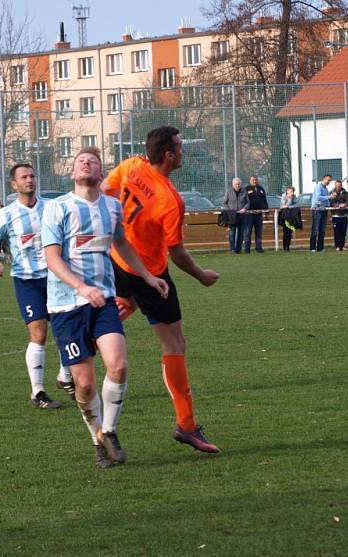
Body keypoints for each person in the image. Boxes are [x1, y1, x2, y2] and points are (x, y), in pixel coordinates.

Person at [42, 147, 169, 468]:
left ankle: (109, 431)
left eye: (93, 162)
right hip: (66, 307)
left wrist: (148, 277)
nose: (86, 163)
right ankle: (97, 439)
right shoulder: (57, 208)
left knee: (119, 365)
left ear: (101, 174)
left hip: (103, 303)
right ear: (72, 173)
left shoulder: (112, 207)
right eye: (80, 161)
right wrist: (81, 286)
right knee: (84, 384)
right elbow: (52, 258)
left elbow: (122, 242)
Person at [102, 126, 222, 454]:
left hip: (117, 259)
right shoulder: (171, 200)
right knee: (175, 344)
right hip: (150, 273)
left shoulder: (131, 166)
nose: (183, 152)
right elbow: (177, 252)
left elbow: (104, 190)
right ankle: (186, 425)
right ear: (168, 155)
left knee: (126, 302)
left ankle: (84, 342)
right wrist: (201, 275)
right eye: (180, 148)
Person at [0, 163, 72, 411]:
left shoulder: (51, 208)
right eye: (24, 177)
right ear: (14, 184)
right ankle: (38, 392)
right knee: (39, 333)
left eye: (32, 175)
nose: (30, 180)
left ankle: (66, 376)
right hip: (27, 280)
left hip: (56, 277)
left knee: (68, 330)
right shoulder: (6, 215)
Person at [221, 177, 248, 253]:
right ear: (233, 184)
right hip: (232, 216)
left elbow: (248, 202)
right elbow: (224, 203)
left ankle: (238, 249)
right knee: (232, 233)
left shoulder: (244, 191)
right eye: (236, 184)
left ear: (241, 184)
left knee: (241, 233)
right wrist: (229, 210)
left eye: (239, 184)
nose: (237, 185)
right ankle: (232, 249)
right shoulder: (229, 191)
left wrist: (244, 209)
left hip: (242, 215)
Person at [244, 175, 268, 253]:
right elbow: (244, 201)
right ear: (250, 180)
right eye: (253, 180)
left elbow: (264, 200)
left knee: (259, 232)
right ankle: (247, 249)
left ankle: (259, 248)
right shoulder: (246, 189)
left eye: (256, 180)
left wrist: (266, 210)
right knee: (248, 232)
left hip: (259, 214)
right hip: (249, 215)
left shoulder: (261, 189)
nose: (255, 181)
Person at [309, 174, 331, 252]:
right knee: (315, 229)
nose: (329, 182)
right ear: (324, 179)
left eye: (330, 180)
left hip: (324, 210)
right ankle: (312, 248)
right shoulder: (318, 186)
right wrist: (329, 197)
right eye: (328, 180)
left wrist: (329, 203)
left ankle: (320, 247)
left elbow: (326, 200)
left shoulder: (326, 189)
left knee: (322, 230)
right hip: (317, 210)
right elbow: (318, 197)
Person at [329, 180, 348, 251]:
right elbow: (331, 203)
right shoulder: (331, 193)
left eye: (339, 186)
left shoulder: (345, 193)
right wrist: (338, 205)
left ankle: (342, 246)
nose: (338, 187)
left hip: (344, 215)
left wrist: (345, 204)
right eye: (337, 186)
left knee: (343, 232)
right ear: (335, 185)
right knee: (337, 232)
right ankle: (337, 246)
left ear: (341, 186)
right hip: (335, 216)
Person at [280, 185, 297, 251]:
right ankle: (285, 246)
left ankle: (288, 247)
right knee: (285, 231)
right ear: (287, 191)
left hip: (291, 215)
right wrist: (289, 199)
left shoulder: (294, 196)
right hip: (284, 215)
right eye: (290, 191)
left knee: (290, 231)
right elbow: (284, 205)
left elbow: (295, 205)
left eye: (292, 191)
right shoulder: (283, 196)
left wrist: (288, 206)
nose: (292, 193)